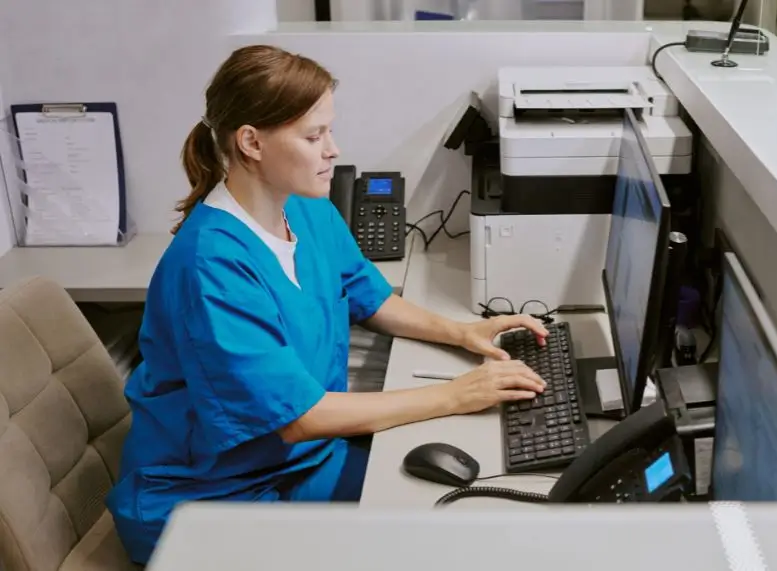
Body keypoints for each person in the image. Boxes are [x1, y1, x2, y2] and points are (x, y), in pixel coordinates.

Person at [106, 44, 548, 564]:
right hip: (211, 500)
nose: (332, 150)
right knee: (431, 543)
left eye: (329, 132)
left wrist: (460, 332)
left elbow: (369, 296)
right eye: (314, 136)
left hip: (298, 463)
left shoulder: (305, 210)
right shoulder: (212, 266)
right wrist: (456, 395)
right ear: (251, 142)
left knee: (462, 513)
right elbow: (298, 418)